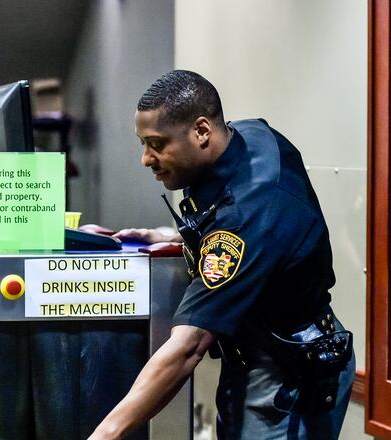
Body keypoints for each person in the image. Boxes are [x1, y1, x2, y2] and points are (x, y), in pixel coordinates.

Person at [90, 70, 354, 439]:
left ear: (201, 132)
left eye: (156, 144)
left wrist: (105, 435)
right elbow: (245, 235)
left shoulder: (247, 216)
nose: (146, 159)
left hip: (287, 375)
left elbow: (187, 347)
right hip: (255, 355)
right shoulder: (250, 135)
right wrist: (171, 237)